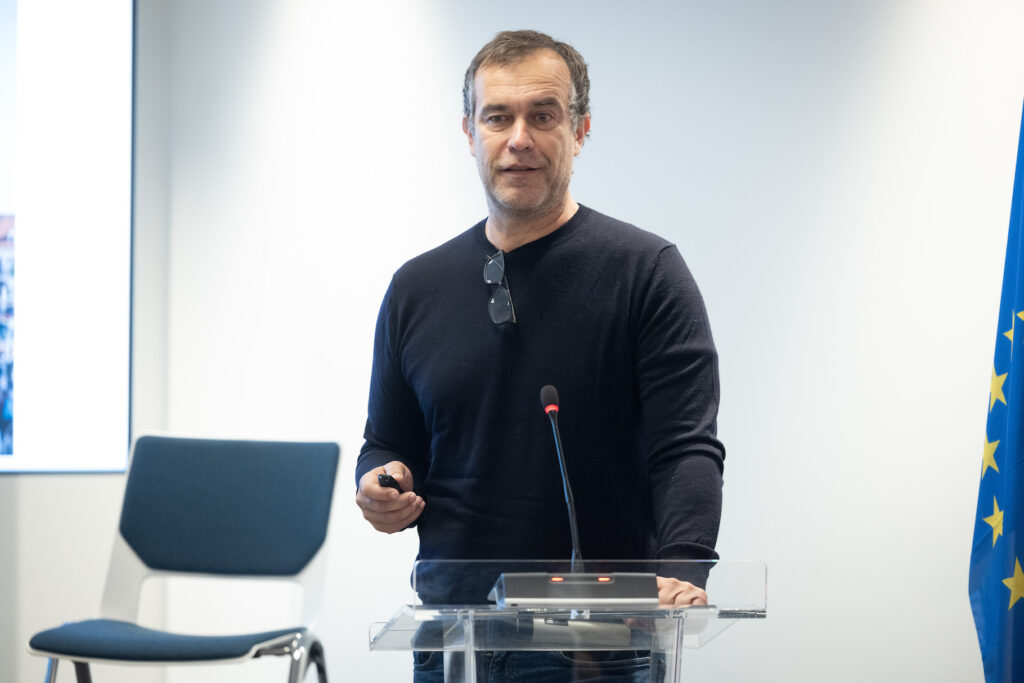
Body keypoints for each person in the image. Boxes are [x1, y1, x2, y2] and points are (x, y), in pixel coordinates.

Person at [355, 29, 724, 682]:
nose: (518, 138)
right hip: (453, 636)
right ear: (470, 132)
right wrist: (381, 483)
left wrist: (683, 568)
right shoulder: (416, 288)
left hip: (597, 643)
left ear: (580, 130)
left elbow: (686, 447)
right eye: (497, 117)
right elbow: (387, 441)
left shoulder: (646, 273)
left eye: (543, 116)